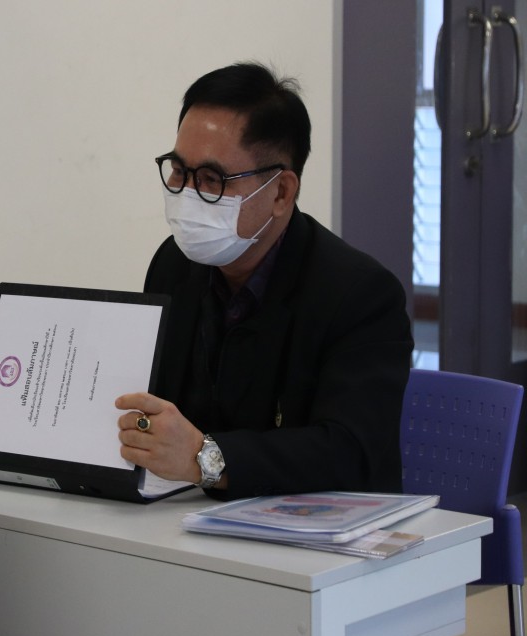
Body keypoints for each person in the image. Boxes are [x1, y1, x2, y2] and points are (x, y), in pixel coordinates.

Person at [116, 62, 414, 500]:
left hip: (319, 527)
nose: (187, 194)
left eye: (212, 179)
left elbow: (347, 451)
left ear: (281, 192)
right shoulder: (174, 264)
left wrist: (205, 457)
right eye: (178, 170)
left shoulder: (361, 295)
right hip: (186, 517)